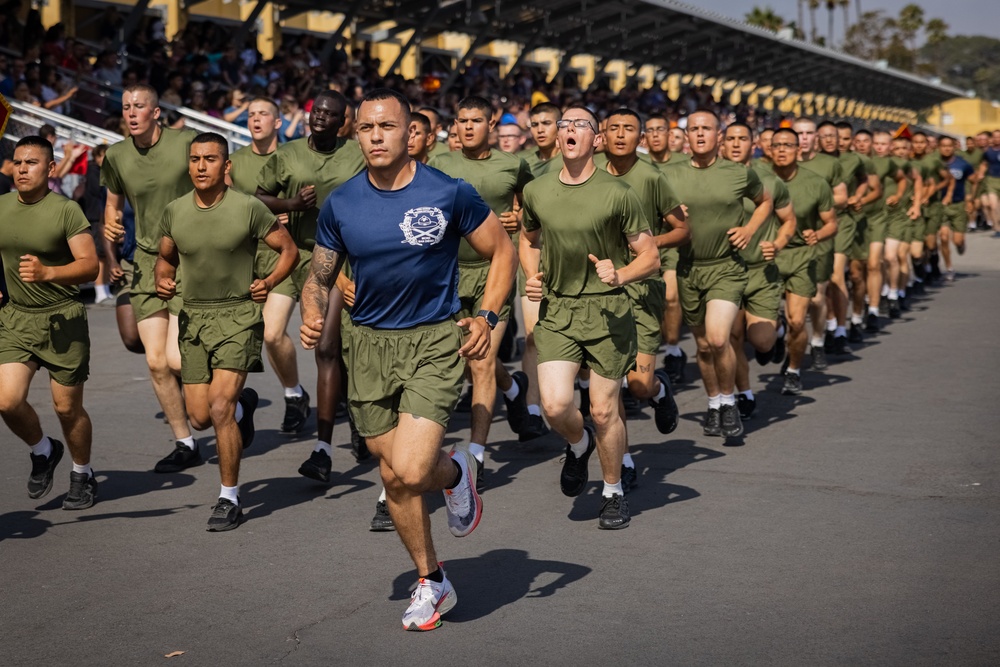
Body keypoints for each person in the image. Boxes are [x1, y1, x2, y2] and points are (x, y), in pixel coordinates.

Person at [301, 88, 515, 631]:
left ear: (411, 134)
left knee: (415, 468)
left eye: (387, 127)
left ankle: (453, 470)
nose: (375, 136)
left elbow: (503, 251)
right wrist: (308, 308)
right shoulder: (341, 203)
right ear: (357, 133)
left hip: (432, 341)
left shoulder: (448, 193)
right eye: (367, 128)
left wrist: (487, 317)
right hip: (367, 346)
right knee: (394, 478)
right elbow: (320, 275)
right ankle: (432, 579)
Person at [521, 105, 660, 529]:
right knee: (555, 403)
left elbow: (651, 256)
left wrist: (620, 274)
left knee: (603, 411)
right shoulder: (537, 191)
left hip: (607, 311)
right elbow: (527, 240)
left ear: (596, 140)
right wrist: (531, 275)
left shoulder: (618, 193)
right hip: (559, 309)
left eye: (581, 125)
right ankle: (578, 445)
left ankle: (613, 491)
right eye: (565, 125)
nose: (570, 131)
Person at [155, 132, 298, 531]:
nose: (201, 166)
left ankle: (228, 498)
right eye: (196, 159)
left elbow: (289, 250)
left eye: (211, 159)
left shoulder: (249, 208)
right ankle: (243, 407)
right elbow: (164, 259)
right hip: (193, 319)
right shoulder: (175, 211)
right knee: (200, 417)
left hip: (238, 317)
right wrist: (163, 280)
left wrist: (268, 282)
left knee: (218, 408)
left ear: (226, 166)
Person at [255, 90, 366, 482]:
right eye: (316, 111)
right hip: (296, 257)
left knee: (332, 346)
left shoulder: (356, 153)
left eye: (330, 114)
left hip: (341, 260)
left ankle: (348, 425)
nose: (320, 117)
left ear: (342, 123)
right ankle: (298, 399)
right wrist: (292, 207)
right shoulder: (286, 155)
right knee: (273, 333)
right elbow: (259, 199)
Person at [428, 96, 535, 490]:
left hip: (495, 272)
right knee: (465, 357)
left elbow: (533, 207)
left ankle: (475, 454)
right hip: (449, 275)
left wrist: (520, 216)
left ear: (491, 123)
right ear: (453, 125)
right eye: (461, 120)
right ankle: (513, 387)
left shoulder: (514, 164)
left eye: (476, 120)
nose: (468, 126)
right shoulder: (438, 164)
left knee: (480, 362)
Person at [102, 84, 201, 472]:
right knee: (157, 362)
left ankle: (229, 401)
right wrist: (111, 230)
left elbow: (217, 184)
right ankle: (184, 442)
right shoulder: (115, 155)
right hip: (144, 261)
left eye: (139, 106)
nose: (131, 112)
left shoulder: (185, 144)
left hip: (188, 259)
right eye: (126, 106)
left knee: (179, 359)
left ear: (156, 112)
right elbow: (112, 206)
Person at [0, 136, 99, 509]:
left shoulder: (66, 210)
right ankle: (43, 450)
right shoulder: (2, 206)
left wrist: (48, 273)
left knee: (66, 409)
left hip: (63, 320)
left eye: (32, 163)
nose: (23, 169)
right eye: (18, 163)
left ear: (51, 168)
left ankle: (82, 471)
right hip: (16, 319)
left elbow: (91, 266)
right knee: (7, 402)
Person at [662, 109, 773, 436]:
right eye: (693, 129)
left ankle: (728, 402)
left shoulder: (738, 173)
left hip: (726, 268)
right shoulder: (670, 175)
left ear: (718, 136)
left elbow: (765, 201)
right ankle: (713, 404)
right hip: (688, 270)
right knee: (704, 347)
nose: (699, 134)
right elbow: (654, 213)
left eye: (706, 129)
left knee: (719, 337)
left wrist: (750, 229)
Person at [600, 107, 687, 444]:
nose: (621, 134)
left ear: (641, 138)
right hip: (600, 289)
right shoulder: (588, 173)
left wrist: (651, 244)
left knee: (637, 386)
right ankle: (623, 461)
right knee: (608, 386)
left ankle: (659, 389)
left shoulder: (652, 178)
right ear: (602, 135)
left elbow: (682, 229)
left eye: (629, 129)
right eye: (614, 127)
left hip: (642, 286)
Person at [722, 122, 796, 419]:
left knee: (760, 341)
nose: (736, 144)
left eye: (743, 139)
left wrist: (777, 244)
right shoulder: (711, 179)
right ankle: (744, 393)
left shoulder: (769, 181)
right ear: (721, 143)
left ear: (754, 144)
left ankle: (777, 330)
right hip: (724, 271)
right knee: (731, 337)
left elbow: (790, 220)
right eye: (730, 139)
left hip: (760, 272)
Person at [769, 128, 838, 395]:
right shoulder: (757, 179)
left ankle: (794, 370)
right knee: (765, 325)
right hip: (766, 258)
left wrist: (818, 234)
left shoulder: (816, 183)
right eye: (777, 145)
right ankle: (775, 335)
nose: (783, 150)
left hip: (800, 256)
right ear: (770, 150)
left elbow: (832, 223)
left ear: (799, 150)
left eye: (788, 145)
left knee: (797, 321)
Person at [645, 112, 688, 383]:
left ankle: (673, 349)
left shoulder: (685, 163)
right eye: (651, 130)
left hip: (673, 239)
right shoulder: (635, 164)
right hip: (642, 239)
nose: (657, 135)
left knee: (671, 297)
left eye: (661, 129)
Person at [938, 136, 976, 279]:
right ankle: (949, 268)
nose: (947, 148)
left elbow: (974, 181)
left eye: (950, 146)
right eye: (943, 146)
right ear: (939, 147)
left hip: (958, 204)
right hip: (941, 205)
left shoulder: (963, 164)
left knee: (957, 241)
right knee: (943, 237)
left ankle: (961, 244)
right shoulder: (935, 164)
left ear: (955, 147)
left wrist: (970, 198)